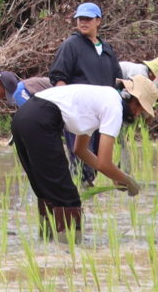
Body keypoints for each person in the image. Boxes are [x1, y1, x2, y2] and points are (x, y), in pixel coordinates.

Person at [12, 80, 142, 238]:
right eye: (139, 108)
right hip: (41, 120)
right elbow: (104, 163)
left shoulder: (102, 98)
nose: (138, 114)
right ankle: (69, 250)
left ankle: (47, 246)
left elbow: (80, 150)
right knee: (68, 199)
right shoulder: (114, 107)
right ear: (131, 99)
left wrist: (115, 176)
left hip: (23, 117)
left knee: (47, 192)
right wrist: (127, 180)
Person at [48, 2, 121, 86]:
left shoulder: (107, 48)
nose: (83, 23)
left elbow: (118, 79)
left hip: (105, 94)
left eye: (88, 19)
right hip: (80, 94)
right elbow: (58, 77)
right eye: (80, 19)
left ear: (98, 21)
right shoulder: (71, 45)